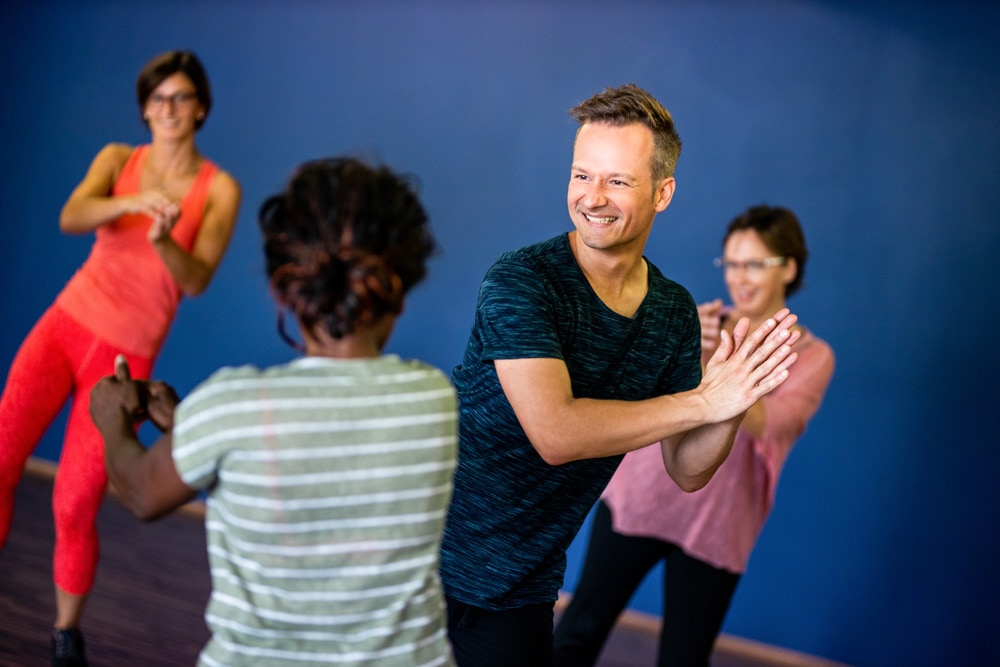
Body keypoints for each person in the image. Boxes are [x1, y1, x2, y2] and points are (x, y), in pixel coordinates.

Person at [438, 83, 802, 667]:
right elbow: (555, 434)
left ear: (663, 192)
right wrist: (705, 402)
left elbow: (687, 468)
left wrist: (734, 396)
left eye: (617, 180)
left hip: (521, 590)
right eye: (582, 175)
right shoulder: (521, 280)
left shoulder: (673, 312)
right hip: (425, 563)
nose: (592, 197)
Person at [88, 157, 458, 667]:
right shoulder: (432, 399)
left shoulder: (233, 406)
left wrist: (113, 421)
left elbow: (142, 492)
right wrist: (190, 428)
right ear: (400, 289)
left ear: (285, 287)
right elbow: (331, 451)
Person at [0, 50, 240, 666]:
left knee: (74, 503)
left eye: (181, 98)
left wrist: (164, 240)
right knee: (1, 457)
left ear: (201, 108)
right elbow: (72, 215)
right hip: (63, 326)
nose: (169, 109)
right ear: (144, 109)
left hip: (121, 364)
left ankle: (64, 635)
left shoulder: (219, 189)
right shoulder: (117, 160)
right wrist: (132, 204)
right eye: (158, 99)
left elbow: (196, 280)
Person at [552, 205, 836, 666]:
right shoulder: (696, 322)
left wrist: (716, 372)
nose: (739, 278)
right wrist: (689, 355)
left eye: (754, 264)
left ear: (788, 267)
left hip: (720, 522)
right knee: (580, 628)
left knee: (685, 656)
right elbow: (643, 398)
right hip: (642, 495)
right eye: (731, 264)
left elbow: (777, 425)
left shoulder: (813, 355)